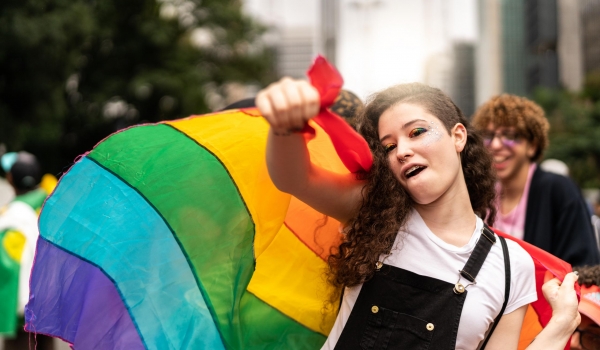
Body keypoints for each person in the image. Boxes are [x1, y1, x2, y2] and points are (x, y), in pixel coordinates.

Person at [256, 78, 580, 349]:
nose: (402, 151)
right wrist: (286, 125)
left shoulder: (511, 268)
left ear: (458, 136)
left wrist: (561, 325)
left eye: (416, 132)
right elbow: (294, 177)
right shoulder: (374, 214)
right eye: (388, 146)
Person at [471, 94, 600, 267]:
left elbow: (583, 264)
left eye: (509, 136)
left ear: (532, 146)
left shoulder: (559, 189)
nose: (495, 145)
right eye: (488, 135)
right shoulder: (480, 195)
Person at [0, 151, 55, 350]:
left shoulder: (10, 218)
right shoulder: (51, 206)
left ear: (10, 179)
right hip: (49, 307)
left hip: (22, 315)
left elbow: (7, 269)